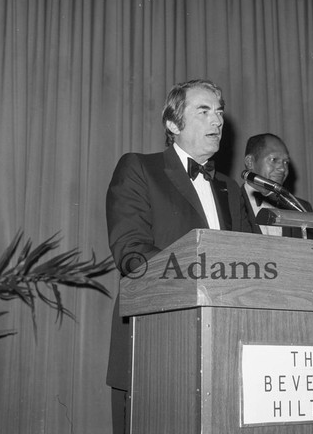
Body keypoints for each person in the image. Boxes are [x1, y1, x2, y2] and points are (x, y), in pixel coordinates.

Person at [105, 79, 252, 433]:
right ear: (173, 124)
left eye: (219, 112)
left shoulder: (230, 189)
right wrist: (208, 276)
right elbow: (131, 253)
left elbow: (255, 259)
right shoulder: (140, 168)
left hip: (225, 349)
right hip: (155, 346)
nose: (217, 121)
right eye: (204, 111)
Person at [242, 133, 313, 240]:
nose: (282, 169)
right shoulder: (229, 203)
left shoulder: (300, 208)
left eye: (286, 162)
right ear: (250, 162)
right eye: (274, 160)